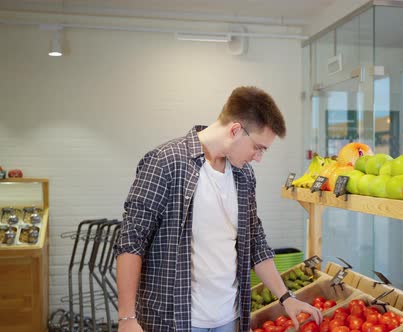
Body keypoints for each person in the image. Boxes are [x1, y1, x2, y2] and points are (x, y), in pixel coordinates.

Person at [115, 86, 322, 332]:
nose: (259, 158)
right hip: (173, 320)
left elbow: (255, 242)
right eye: (258, 147)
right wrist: (127, 318)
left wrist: (286, 298)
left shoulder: (243, 175)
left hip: (229, 318)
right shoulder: (165, 162)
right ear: (235, 130)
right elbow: (132, 241)